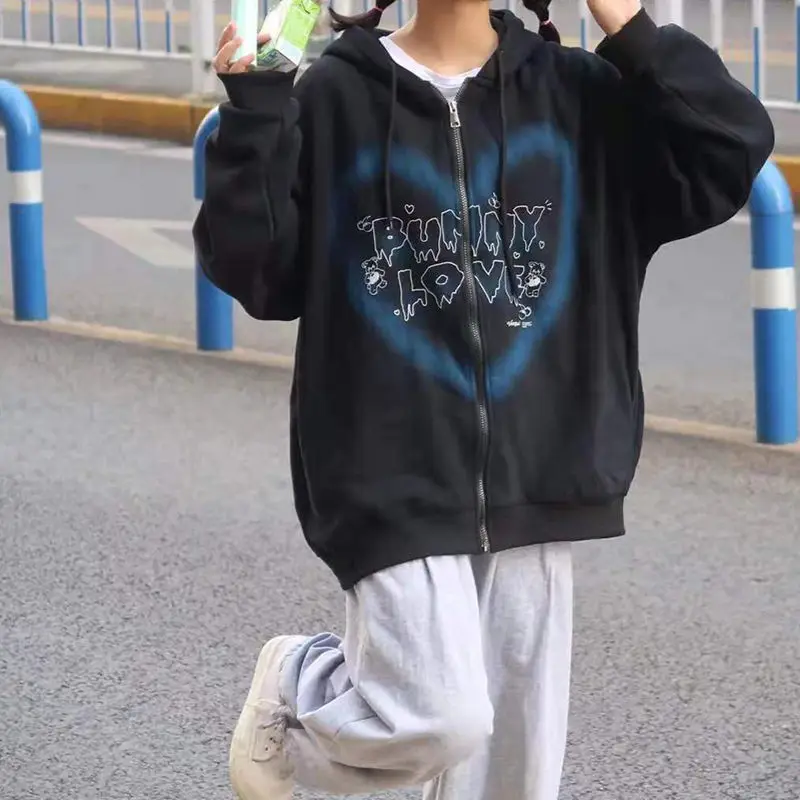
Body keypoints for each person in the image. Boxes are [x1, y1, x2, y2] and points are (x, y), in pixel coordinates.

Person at [193, 0, 774, 796]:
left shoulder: (580, 96)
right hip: (388, 475)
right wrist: (256, 110)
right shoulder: (334, 96)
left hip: (546, 470)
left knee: (514, 778)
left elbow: (730, 146)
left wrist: (628, 24)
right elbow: (256, 271)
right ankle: (304, 685)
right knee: (438, 716)